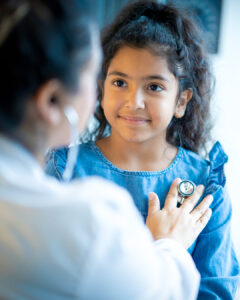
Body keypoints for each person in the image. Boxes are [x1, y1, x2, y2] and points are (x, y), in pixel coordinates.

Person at [0, 0, 215, 299]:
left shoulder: (206, 180)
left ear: (182, 100)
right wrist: (168, 245)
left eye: (154, 86)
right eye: (115, 82)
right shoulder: (65, 178)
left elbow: (216, 286)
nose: (133, 102)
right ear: (52, 100)